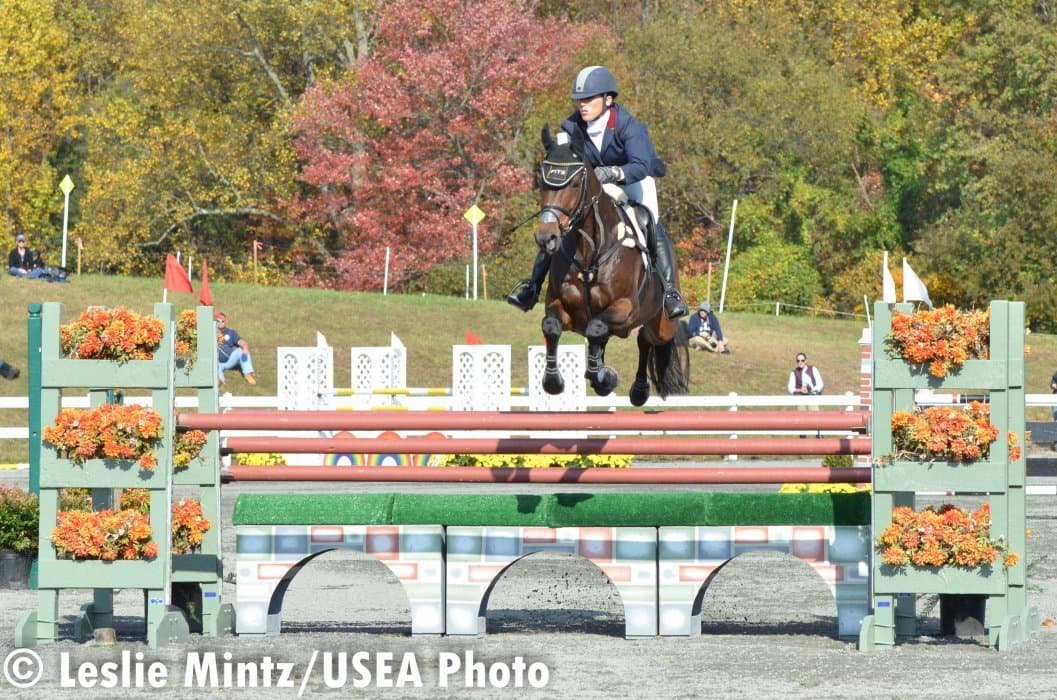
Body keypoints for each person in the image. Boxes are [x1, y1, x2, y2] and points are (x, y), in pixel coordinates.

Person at [507, 65, 689, 320]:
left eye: (589, 99)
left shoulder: (627, 125)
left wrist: (613, 172)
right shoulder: (571, 126)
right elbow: (565, 157)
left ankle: (670, 292)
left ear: (608, 99)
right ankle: (533, 286)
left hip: (632, 178)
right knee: (560, 222)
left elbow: (640, 164)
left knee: (649, 220)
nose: (582, 105)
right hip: (594, 183)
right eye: (579, 100)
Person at [216, 312, 256, 386]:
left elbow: (240, 341)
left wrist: (245, 346)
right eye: (218, 321)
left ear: (226, 321)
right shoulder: (212, 332)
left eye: (222, 321)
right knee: (216, 368)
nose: (220, 323)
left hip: (229, 360)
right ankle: (221, 381)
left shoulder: (231, 332)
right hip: (217, 362)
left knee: (241, 350)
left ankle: (248, 374)